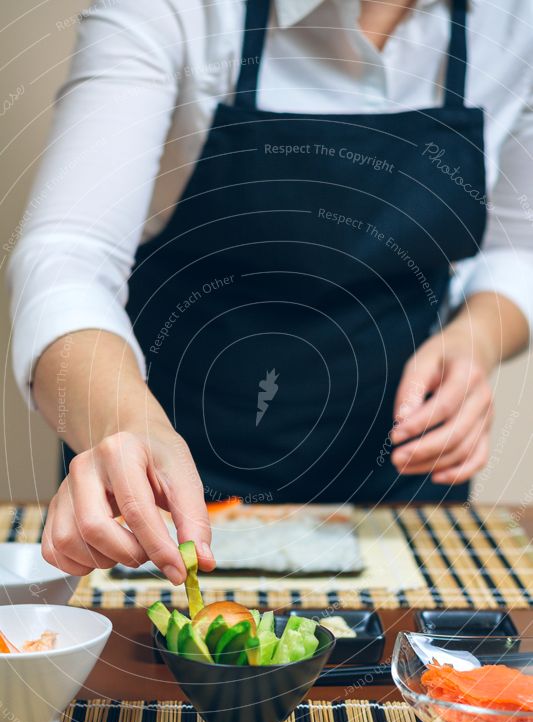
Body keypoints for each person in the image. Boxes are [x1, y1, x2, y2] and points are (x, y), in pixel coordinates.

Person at [7, 0, 532, 585]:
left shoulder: (517, 23)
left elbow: (519, 248)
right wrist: (122, 427)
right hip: (166, 480)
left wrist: (476, 338)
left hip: (401, 482)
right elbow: (66, 257)